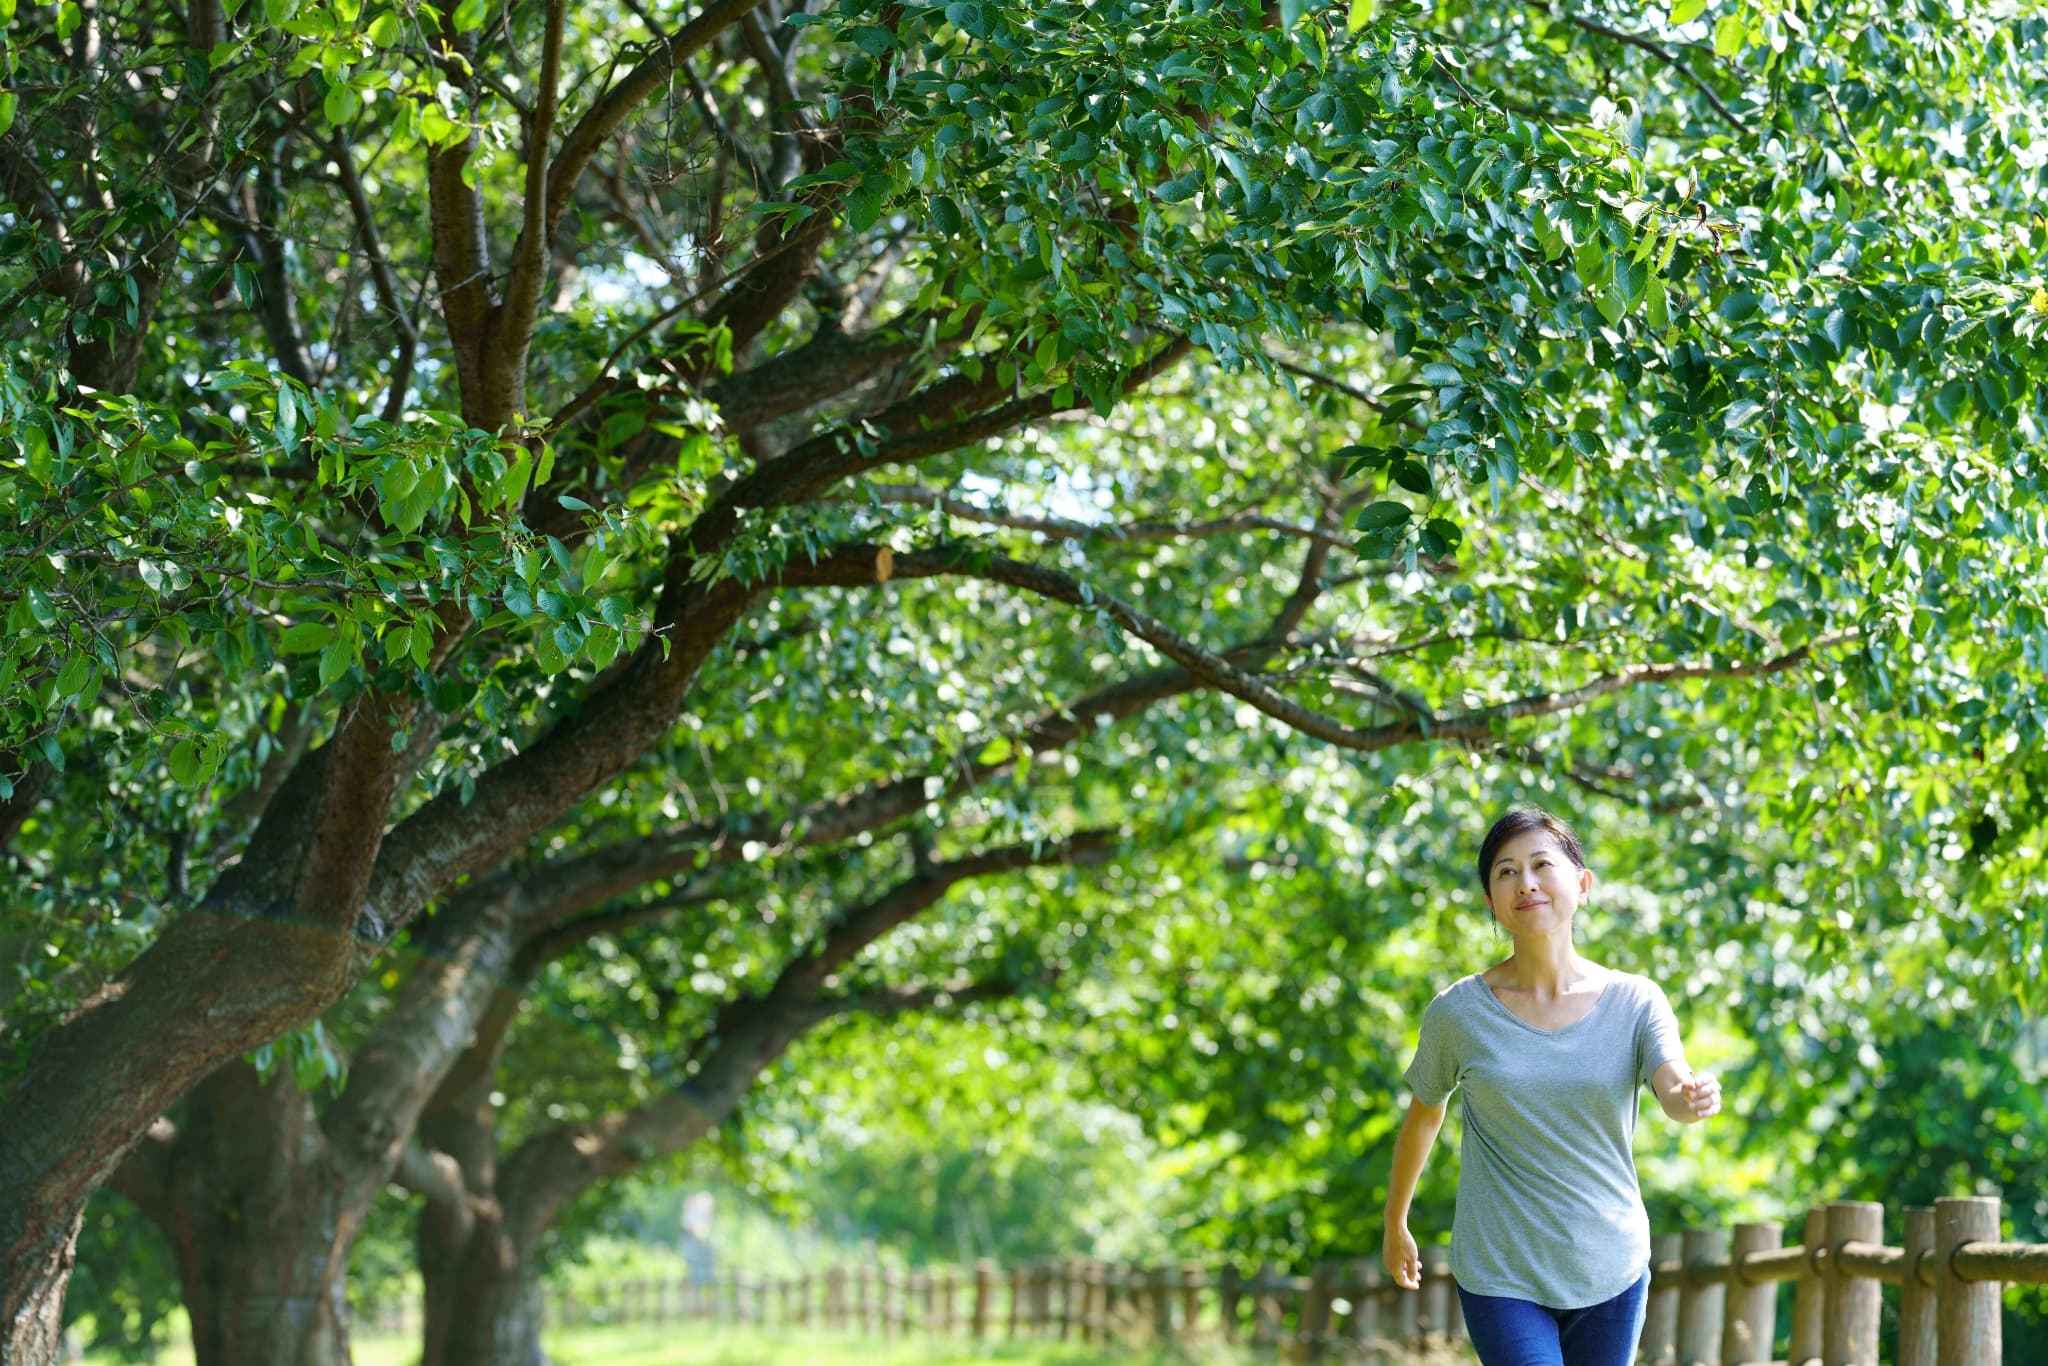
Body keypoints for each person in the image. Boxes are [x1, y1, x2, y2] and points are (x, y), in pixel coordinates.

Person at [1380, 806, 1721, 1366]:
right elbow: (1425, 1114)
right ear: (1491, 901)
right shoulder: (1459, 1012)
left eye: (1542, 864)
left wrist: (1693, 1097)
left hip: (1610, 1265)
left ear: (1582, 885)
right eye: (1506, 872)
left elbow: (1673, 1086)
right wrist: (1396, 1222)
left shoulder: (1636, 1001)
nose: (1526, 883)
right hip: (1501, 1270)